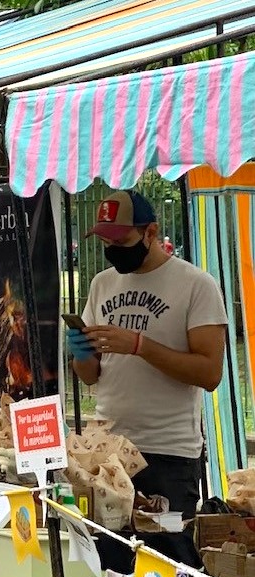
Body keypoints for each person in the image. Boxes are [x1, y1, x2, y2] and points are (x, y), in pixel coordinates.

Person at [68, 190, 227, 519]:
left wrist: (140, 346)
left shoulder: (196, 285)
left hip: (168, 454)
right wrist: (81, 352)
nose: (112, 251)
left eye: (121, 242)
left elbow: (210, 374)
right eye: (105, 242)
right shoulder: (102, 284)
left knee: (165, 561)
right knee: (109, 558)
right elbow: (91, 375)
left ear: (150, 232)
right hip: (108, 449)